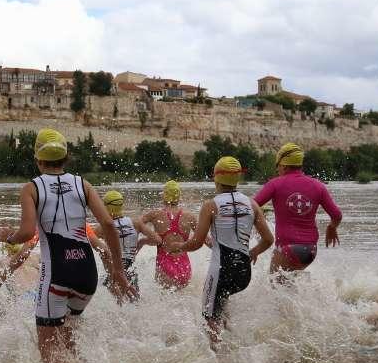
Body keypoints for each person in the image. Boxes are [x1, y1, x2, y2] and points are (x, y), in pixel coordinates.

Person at [0, 128, 135, 363]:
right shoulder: (83, 184)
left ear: (37, 159)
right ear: (66, 157)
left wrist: (8, 236)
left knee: (48, 351)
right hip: (87, 274)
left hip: (57, 274)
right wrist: (118, 271)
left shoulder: (31, 188)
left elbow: (27, 232)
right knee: (68, 340)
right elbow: (109, 226)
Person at [166, 157, 274, 349]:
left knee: (209, 317)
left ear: (216, 179)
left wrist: (179, 247)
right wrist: (253, 252)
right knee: (222, 303)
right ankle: (233, 344)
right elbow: (268, 240)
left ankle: (218, 355)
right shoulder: (252, 204)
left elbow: (197, 243)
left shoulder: (211, 205)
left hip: (221, 270)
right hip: (243, 273)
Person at [252, 143, 342, 278]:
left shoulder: (275, 184)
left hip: (288, 248)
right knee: (290, 285)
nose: (277, 170)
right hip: (310, 251)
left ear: (284, 165)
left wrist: (259, 218)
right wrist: (332, 227)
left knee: (274, 287)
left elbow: (250, 206)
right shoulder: (318, 186)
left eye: (278, 166)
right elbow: (337, 215)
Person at [101, 190, 162, 298]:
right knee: (135, 303)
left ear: (106, 207)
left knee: (116, 306)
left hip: (115, 271)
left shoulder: (103, 228)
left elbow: (86, 240)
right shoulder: (136, 223)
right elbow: (158, 240)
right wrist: (142, 242)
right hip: (130, 269)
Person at [140, 180, 196, 290]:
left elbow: (135, 225)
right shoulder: (190, 217)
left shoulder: (155, 214)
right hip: (184, 266)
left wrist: (147, 239)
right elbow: (205, 239)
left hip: (165, 265)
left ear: (164, 196)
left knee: (163, 301)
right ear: (178, 197)